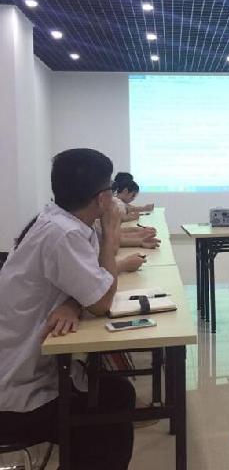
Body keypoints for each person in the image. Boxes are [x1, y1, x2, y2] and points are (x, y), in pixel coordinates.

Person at [0, 148, 135, 470]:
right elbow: (101, 301)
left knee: (115, 392)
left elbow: (88, 283)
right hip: (18, 397)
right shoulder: (64, 234)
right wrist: (112, 231)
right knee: (112, 408)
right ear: (103, 197)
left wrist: (72, 302)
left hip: (25, 371)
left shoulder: (57, 220)